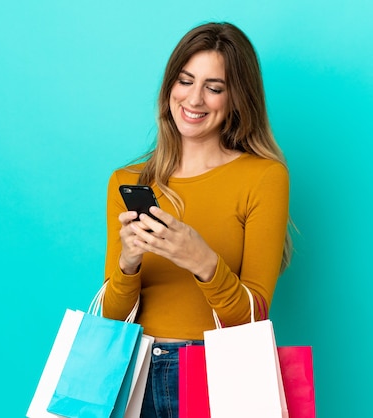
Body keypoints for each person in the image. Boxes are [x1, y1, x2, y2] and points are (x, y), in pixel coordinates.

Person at [103, 22, 292, 418]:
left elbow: (254, 317)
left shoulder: (263, 177)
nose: (194, 98)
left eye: (214, 87)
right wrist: (128, 263)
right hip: (133, 376)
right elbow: (112, 320)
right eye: (185, 80)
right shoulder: (127, 181)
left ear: (237, 98)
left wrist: (202, 261)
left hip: (213, 375)